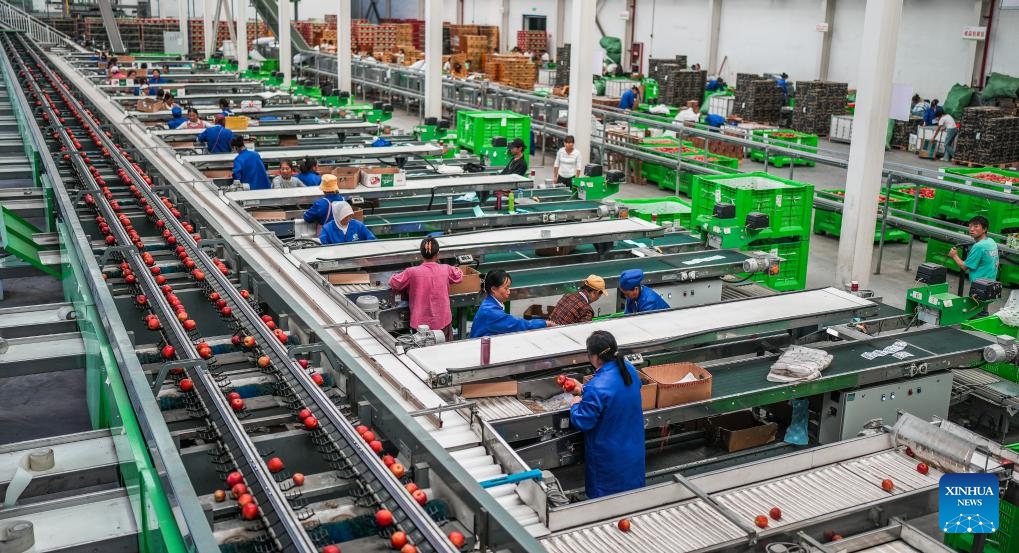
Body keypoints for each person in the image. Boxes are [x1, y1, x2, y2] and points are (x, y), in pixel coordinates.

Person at [565, 330, 646, 499]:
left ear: (594, 357)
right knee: (631, 497)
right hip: (632, 449)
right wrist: (584, 390)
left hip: (609, 457)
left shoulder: (597, 386)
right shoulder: (628, 369)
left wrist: (575, 404)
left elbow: (583, 420)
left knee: (607, 503)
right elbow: (615, 393)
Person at [388, 237, 464, 341]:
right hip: (442, 321)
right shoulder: (446, 269)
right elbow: (459, 275)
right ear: (437, 254)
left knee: (423, 351)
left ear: (421, 254)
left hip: (421, 327)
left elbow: (393, 282)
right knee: (445, 350)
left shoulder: (411, 272)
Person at [469, 270, 553, 338]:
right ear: (494, 289)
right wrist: (544, 323)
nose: (509, 291)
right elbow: (516, 325)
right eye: (506, 288)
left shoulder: (489, 303)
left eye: (509, 287)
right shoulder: (490, 311)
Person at [949, 216, 999, 286]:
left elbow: (964, 267)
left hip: (980, 285)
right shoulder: (991, 241)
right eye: (970, 226)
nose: (972, 229)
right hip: (991, 283)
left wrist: (954, 255)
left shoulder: (979, 246)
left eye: (976, 227)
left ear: (984, 229)